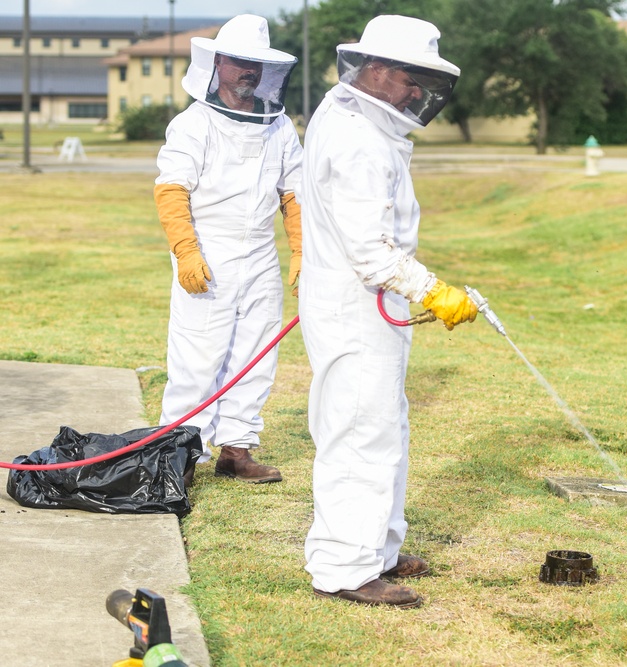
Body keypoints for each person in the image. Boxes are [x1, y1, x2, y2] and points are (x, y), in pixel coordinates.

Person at [299, 14, 478, 608]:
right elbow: (373, 253)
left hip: (361, 303)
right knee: (359, 433)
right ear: (373, 69)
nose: (417, 94)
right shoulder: (356, 139)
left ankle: (378, 548)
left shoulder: (355, 118)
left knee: (384, 426)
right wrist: (435, 291)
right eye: (409, 78)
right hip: (355, 303)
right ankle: (346, 569)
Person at [153, 14, 303, 484]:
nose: (249, 71)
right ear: (217, 63)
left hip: (260, 254)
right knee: (197, 358)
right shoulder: (192, 124)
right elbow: (172, 189)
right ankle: (178, 458)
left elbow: (294, 192)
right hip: (207, 251)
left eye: (257, 64)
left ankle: (237, 450)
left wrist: (300, 249)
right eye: (240, 61)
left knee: (256, 355)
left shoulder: (279, 126)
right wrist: (185, 250)